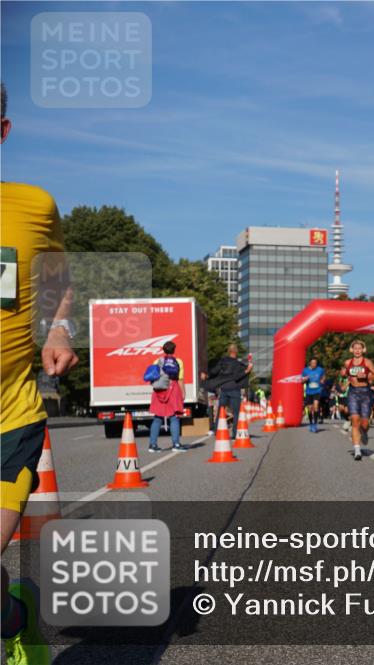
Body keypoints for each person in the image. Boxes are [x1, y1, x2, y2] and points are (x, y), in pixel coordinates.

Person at [1, 81, 79, 665]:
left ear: (2, 132)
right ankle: (13, 612)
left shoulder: (33, 206)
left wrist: (58, 329)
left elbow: (59, 283)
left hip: (9, 417)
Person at [201, 344, 252, 437]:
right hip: (234, 389)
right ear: (236, 352)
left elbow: (214, 371)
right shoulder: (238, 364)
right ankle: (235, 433)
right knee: (236, 413)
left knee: (221, 411)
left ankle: (217, 431)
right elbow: (238, 376)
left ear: (229, 351)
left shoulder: (222, 361)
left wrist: (207, 376)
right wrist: (247, 371)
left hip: (224, 389)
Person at [340, 340, 374, 460]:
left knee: (364, 423)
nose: (357, 350)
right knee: (355, 420)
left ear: (363, 350)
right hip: (353, 393)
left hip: (366, 393)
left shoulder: (367, 362)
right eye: (355, 348)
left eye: (359, 348)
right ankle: (357, 450)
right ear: (351, 350)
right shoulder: (347, 363)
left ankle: (364, 432)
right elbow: (343, 375)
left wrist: (367, 376)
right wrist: (343, 379)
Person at [148, 341, 188, 453]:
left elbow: (153, 377)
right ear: (174, 350)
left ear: (163, 350)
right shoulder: (178, 361)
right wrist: (183, 393)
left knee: (158, 417)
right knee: (174, 416)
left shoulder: (157, 361)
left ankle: (152, 445)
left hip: (159, 390)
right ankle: (176, 444)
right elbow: (180, 379)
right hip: (173, 388)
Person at [301, 357, 325, 433]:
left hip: (317, 391)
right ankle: (311, 423)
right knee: (310, 409)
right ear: (310, 363)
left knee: (316, 407)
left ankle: (315, 424)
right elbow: (301, 381)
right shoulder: (305, 370)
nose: (314, 364)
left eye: (315, 363)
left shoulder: (320, 369)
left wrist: (322, 380)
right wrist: (305, 379)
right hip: (308, 392)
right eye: (312, 363)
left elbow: (323, 377)